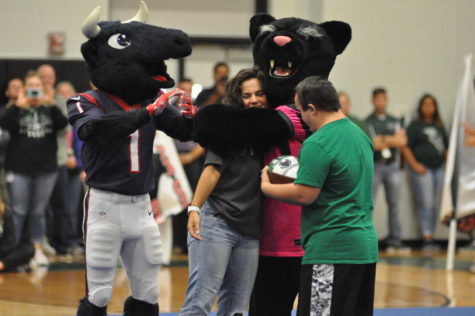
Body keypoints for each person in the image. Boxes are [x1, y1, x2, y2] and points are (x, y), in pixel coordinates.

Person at [261, 76, 378, 316]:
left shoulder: (318, 142)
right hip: (364, 248)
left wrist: (265, 184)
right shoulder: (360, 135)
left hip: (332, 250)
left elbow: (305, 194)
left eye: (301, 110)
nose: (301, 118)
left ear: (312, 108)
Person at [180, 69, 266, 315]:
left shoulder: (268, 132)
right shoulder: (228, 128)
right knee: (199, 302)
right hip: (216, 222)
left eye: (259, 94)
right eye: (247, 95)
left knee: (236, 308)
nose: (254, 100)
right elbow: (211, 170)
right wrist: (195, 208)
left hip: (249, 231)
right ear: (238, 99)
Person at [0, 71, 68, 266]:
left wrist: (51, 102)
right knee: (19, 210)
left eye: (38, 86)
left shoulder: (50, 108)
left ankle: (36, 249)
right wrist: (18, 105)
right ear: (24, 88)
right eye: (31, 85)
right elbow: (3, 124)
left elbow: (63, 125)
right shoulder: (17, 108)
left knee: (38, 211)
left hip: (46, 168)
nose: (34, 89)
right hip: (19, 168)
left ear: (43, 88)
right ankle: (14, 250)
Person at [364, 87, 409, 253]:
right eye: (378, 99)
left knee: (394, 203)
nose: (381, 102)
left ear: (387, 100)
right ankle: (367, 240)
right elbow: (373, 144)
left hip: (392, 166)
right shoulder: (367, 121)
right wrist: (390, 140)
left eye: (384, 99)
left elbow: (402, 142)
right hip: (375, 166)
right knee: (369, 203)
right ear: (373, 101)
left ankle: (395, 240)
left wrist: (383, 139)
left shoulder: (394, 120)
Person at [401, 94, 448, 252]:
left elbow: (446, 146)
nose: (429, 108)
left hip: (438, 168)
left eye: (431, 105)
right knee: (426, 203)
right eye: (425, 105)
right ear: (421, 107)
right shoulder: (415, 126)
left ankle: (432, 236)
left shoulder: (439, 126)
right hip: (423, 169)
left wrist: (447, 165)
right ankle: (426, 236)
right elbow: (405, 146)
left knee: (435, 204)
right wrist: (414, 164)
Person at [173, 78, 204, 254]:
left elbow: (203, 140)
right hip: (174, 161)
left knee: (193, 200)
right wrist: (175, 158)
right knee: (177, 200)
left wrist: (191, 156)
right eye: (182, 89)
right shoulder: (169, 111)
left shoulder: (198, 112)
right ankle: (178, 241)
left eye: (188, 90)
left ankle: (190, 240)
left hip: (193, 160)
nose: (185, 93)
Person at [0, 197, 35, 272]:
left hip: (4, 252)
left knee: (28, 249)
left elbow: (10, 242)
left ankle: (3, 264)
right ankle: (12, 265)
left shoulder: (6, 213)